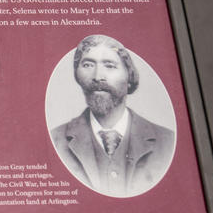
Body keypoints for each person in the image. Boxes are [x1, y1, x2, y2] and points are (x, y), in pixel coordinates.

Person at [50, 34, 175, 197]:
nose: (97, 77)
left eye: (109, 65)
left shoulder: (167, 142)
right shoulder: (56, 140)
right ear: (77, 75)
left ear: (129, 76)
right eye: (87, 65)